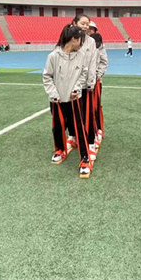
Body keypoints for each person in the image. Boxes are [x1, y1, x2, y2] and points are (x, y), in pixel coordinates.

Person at [43, 24, 92, 179]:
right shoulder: (53, 56)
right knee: (58, 126)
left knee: (79, 128)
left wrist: (77, 89)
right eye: (81, 40)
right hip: (57, 100)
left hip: (75, 99)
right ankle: (59, 149)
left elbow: (83, 74)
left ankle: (85, 158)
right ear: (74, 39)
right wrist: (53, 94)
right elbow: (47, 77)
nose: (82, 44)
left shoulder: (81, 55)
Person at [72, 14, 99, 162]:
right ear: (75, 23)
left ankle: (90, 143)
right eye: (82, 23)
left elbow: (93, 63)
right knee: (74, 115)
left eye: (87, 24)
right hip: (71, 84)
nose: (85, 26)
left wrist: (91, 82)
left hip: (85, 85)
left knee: (88, 115)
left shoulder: (91, 41)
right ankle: (75, 137)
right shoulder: (69, 38)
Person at [89, 29, 108, 142]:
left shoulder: (101, 48)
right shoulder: (85, 45)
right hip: (85, 83)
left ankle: (98, 129)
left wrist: (98, 75)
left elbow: (104, 62)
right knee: (86, 108)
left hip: (96, 82)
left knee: (96, 106)